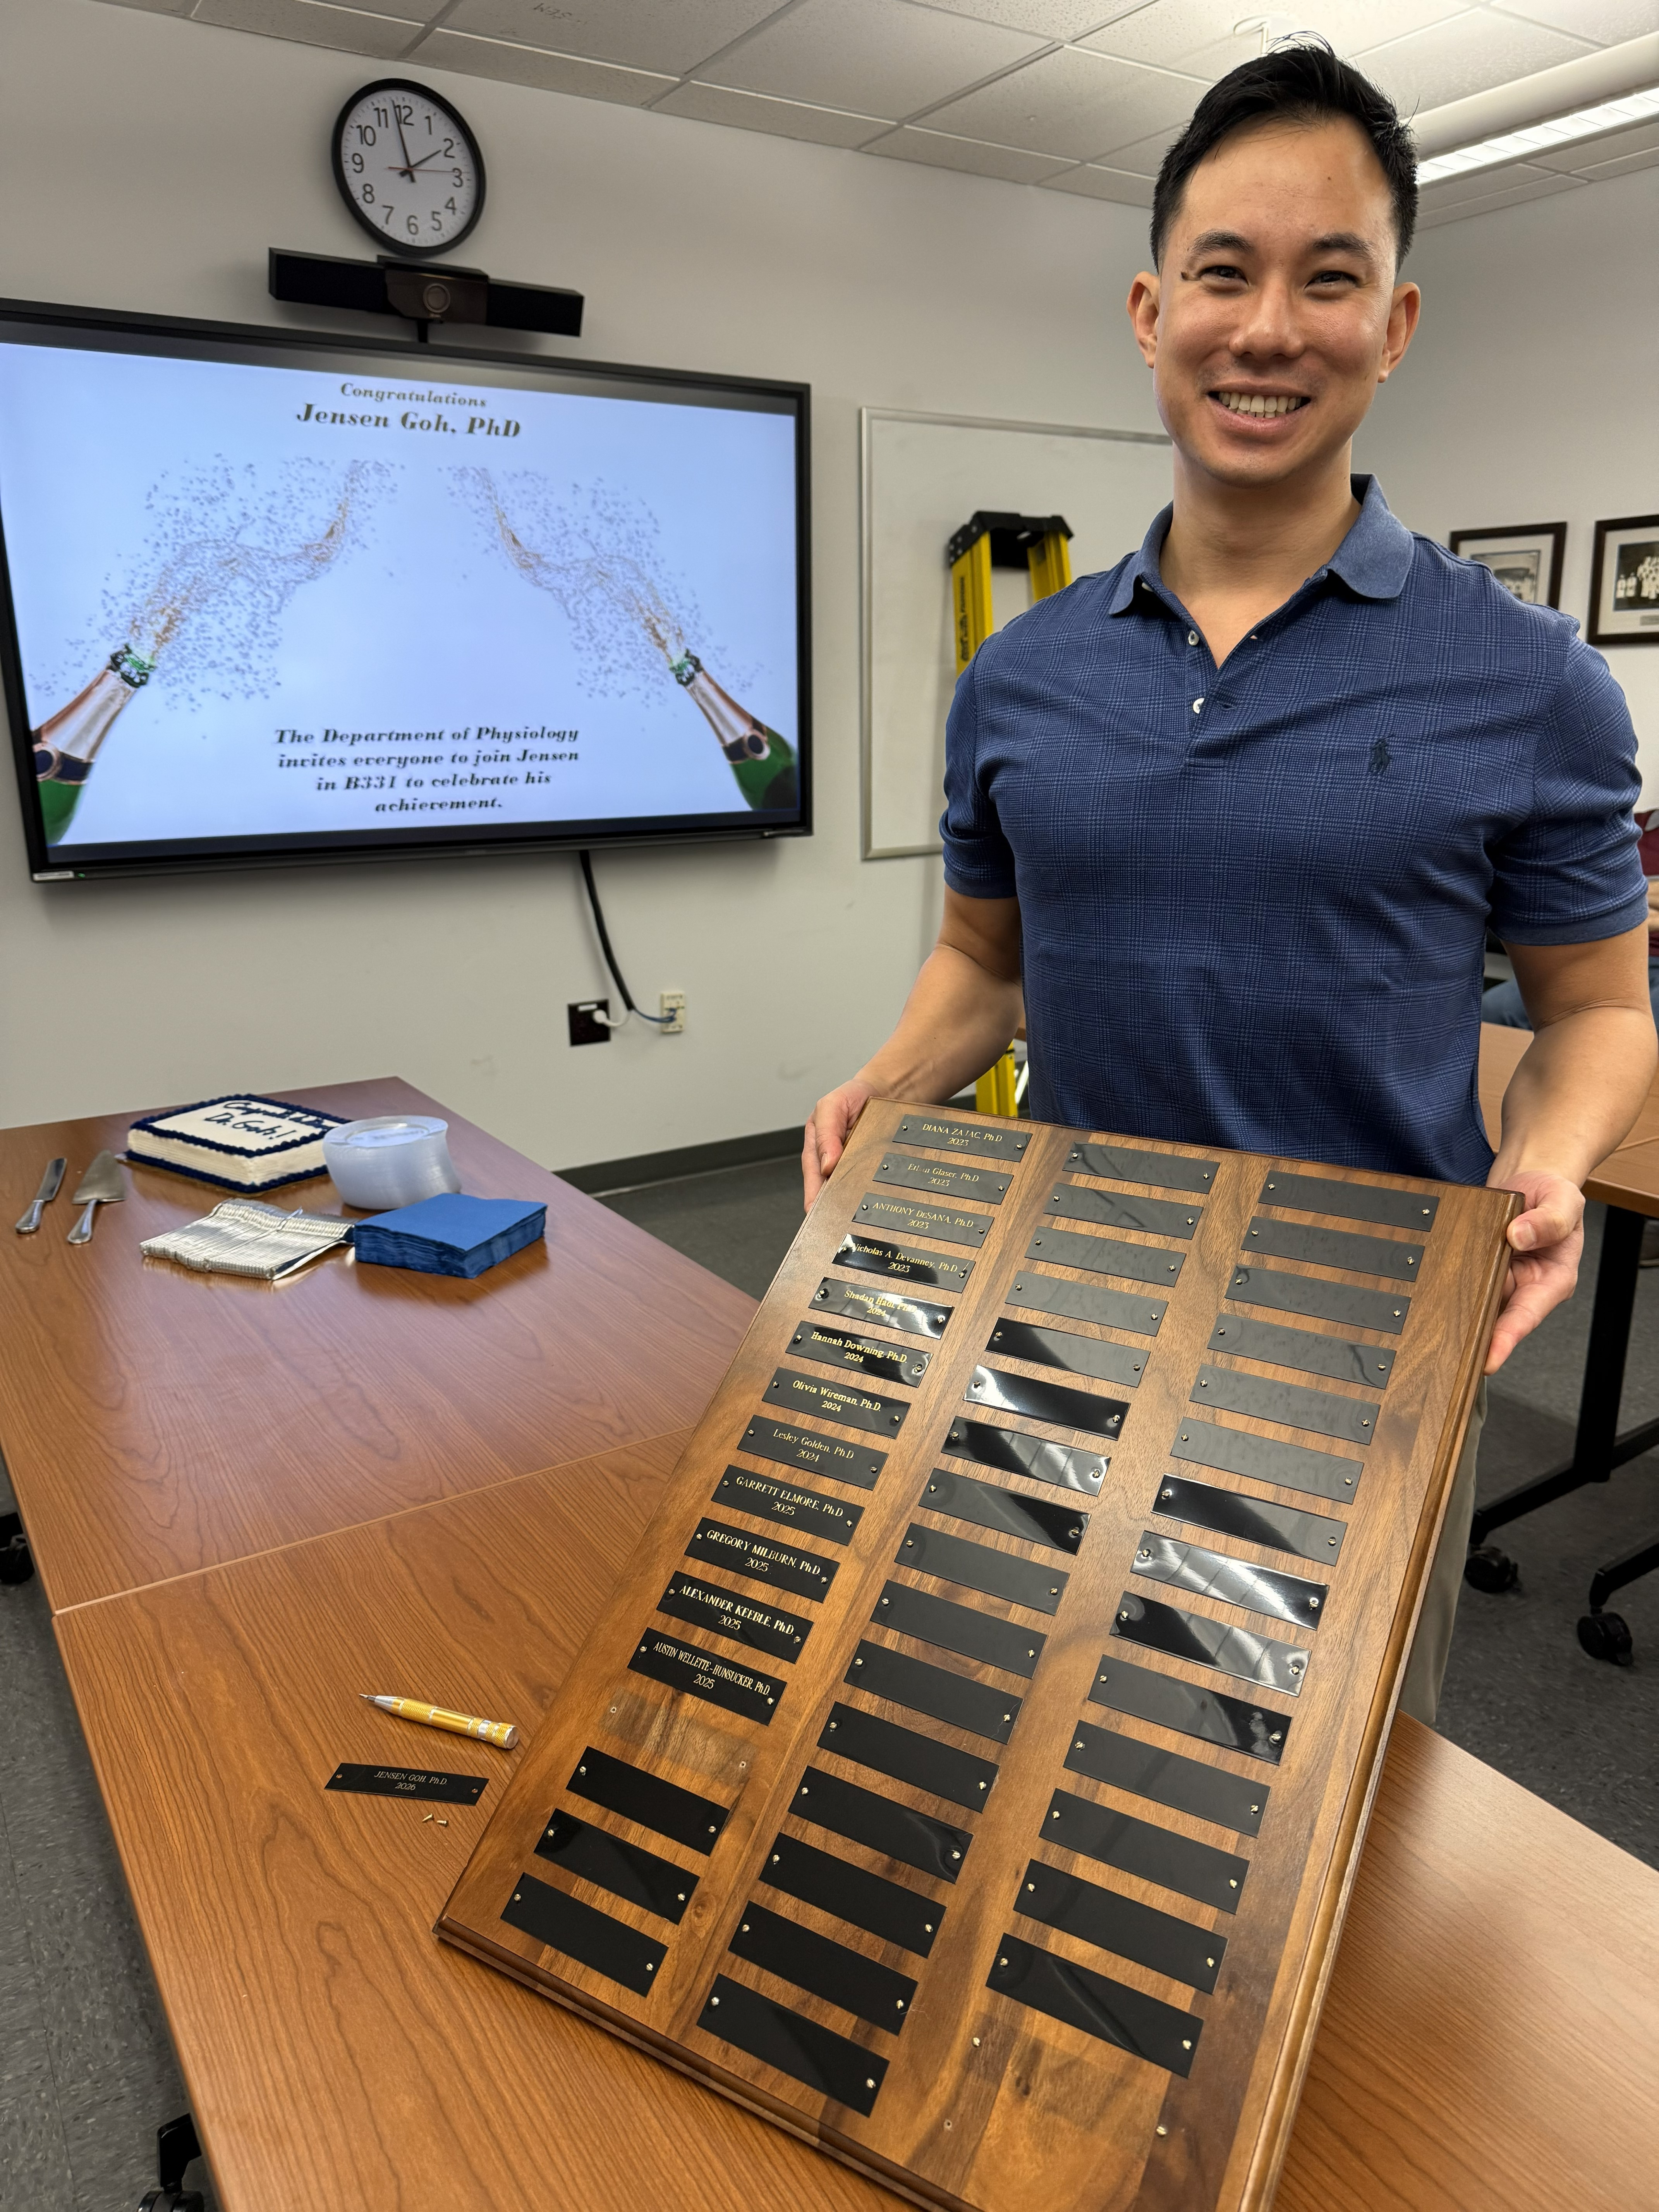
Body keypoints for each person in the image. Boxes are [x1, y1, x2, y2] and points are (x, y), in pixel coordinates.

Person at [803, 42, 1657, 1726]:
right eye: (1224, 273)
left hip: (1361, 1347)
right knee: (1068, 1740)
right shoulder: (1021, 678)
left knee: (1325, 1810)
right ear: (1149, 310)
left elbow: (1601, 1009)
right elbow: (988, 959)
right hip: (1058, 1307)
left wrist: (1546, 1164)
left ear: (1395, 326)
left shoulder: (1532, 683)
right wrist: (887, 1082)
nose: (1268, 328)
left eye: (1329, 279)